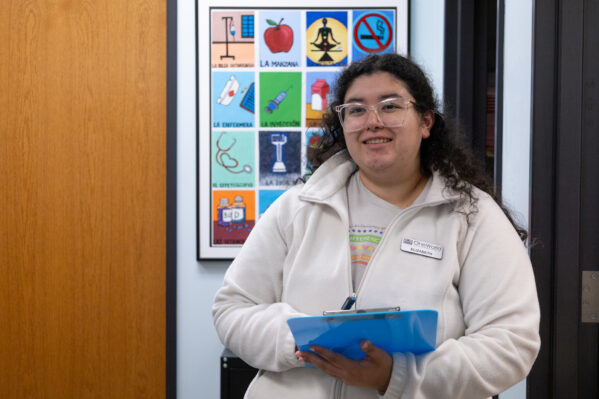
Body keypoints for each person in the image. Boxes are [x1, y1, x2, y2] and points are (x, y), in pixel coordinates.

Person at [212, 53, 540, 398]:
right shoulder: (297, 208)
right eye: (355, 110)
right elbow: (233, 309)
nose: (372, 121)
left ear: (426, 122)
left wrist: (397, 376)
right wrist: (297, 338)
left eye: (390, 106)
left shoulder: (473, 216)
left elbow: (510, 343)